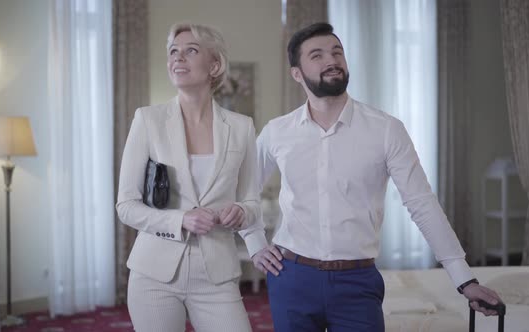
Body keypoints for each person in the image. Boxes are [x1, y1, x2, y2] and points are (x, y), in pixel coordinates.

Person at [250, 22, 503, 332]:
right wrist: (255, 245)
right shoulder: (277, 132)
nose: (331, 60)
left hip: (357, 282)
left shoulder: (386, 129)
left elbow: (421, 204)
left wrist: (464, 279)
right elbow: (244, 191)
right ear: (297, 73)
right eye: (317, 55)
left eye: (337, 52)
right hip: (292, 278)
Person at [116, 22, 265, 332]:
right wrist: (181, 219)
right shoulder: (148, 120)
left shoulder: (242, 127)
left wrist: (241, 211)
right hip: (154, 275)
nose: (178, 58)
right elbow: (126, 206)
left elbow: (251, 200)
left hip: (218, 275)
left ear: (214, 64)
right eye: (173, 52)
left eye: (190, 51)